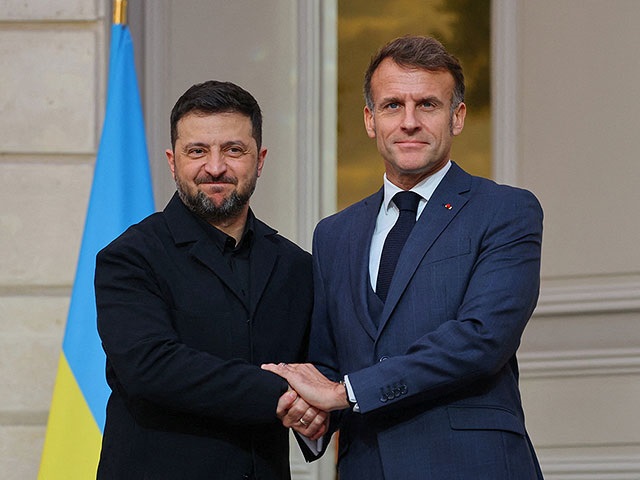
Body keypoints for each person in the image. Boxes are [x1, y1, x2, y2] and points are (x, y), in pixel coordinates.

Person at [263, 35, 545, 479]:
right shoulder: (333, 235)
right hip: (366, 465)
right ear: (370, 120)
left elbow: (482, 338)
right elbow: (329, 361)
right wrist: (313, 413)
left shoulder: (506, 210)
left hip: (472, 465)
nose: (409, 122)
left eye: (427, 105)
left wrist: (346, 393)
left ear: (457, 117)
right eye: (393, 105)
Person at [95, 80, 324, 479]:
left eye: (234, 150)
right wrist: (283, 394)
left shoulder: (296, 266)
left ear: (260, 159)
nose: (215, 167)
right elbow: (152, 366)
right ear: (172, 161)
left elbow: (320, 369)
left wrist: (322, 407)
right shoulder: (130, 257)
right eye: (197, 151)